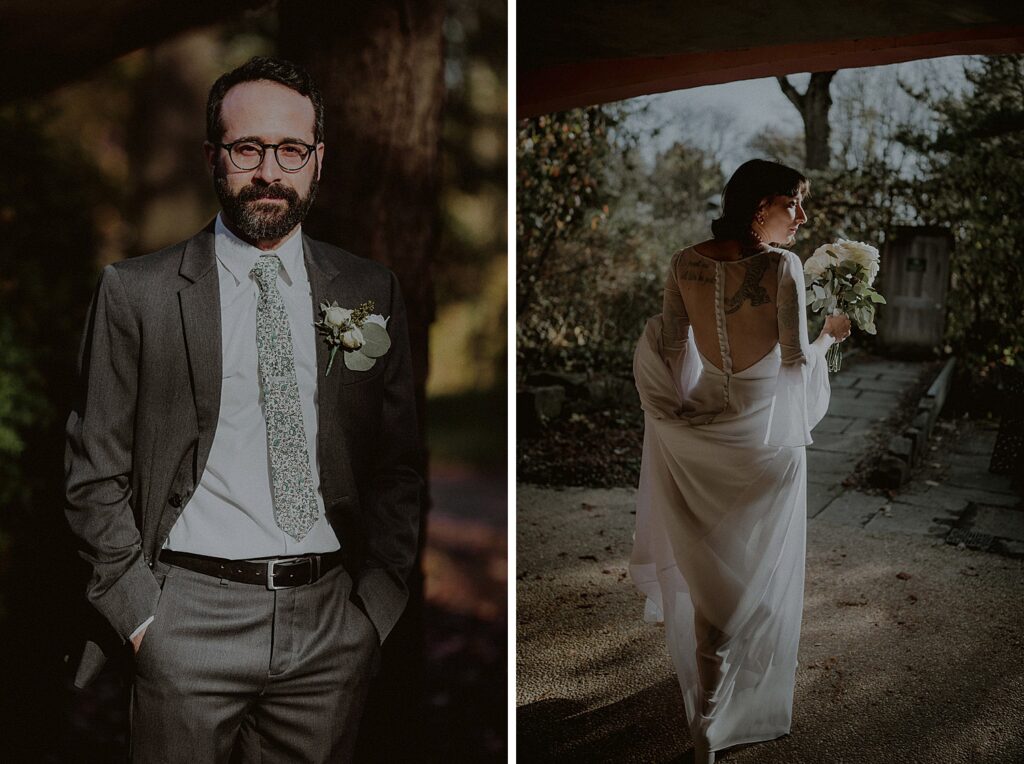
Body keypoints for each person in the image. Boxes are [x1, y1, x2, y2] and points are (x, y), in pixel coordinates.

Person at [64, 56, 422, 763]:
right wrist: (143, 620)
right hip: (184, 617)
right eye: (246, 148)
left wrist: (372, 611)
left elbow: (397, 465)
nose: (268, 170)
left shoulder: (367, 288)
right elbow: (92, 476)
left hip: (329, 627)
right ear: (212, 158)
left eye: (290, 149)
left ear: (317, 160)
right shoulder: (136, 294)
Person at [630, 159, 851, 763]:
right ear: (760, 205)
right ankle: (711, 715)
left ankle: (706, 708)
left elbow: (673, 353)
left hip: (695, 434)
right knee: (750, 563)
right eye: (794, 203)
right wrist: (830, 334)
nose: (801, 217)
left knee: (708, 566)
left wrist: (677, 427)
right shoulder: (782, 267)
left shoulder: (684, 262)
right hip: (762, 440)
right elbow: (793, 366)